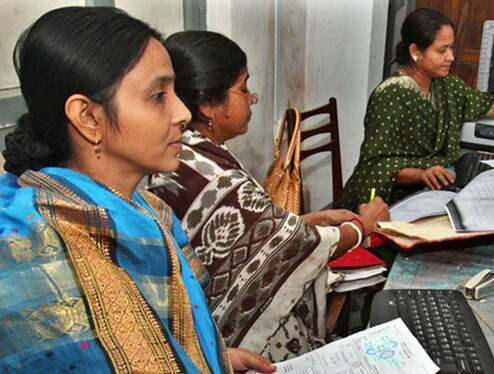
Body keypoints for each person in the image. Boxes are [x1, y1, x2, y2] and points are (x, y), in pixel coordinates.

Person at [0, 7, 273, 373]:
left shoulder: (147, 211)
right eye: (158, 95)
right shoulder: (47, 253)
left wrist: (213, 360)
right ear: (88, 117)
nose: (182, 113)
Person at [148, 31, 389, 362]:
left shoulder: (190, 154)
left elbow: (248, 236)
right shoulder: (210, 173)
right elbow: (288, 247)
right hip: (236, 345)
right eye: (243, 88)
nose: (251, 98)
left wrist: (308, 219)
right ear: (208, 105)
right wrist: (365, 225)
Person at [339, 8, 494, 210]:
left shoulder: (444, 85)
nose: (451, 57)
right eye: (442, 50)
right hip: (383, 201)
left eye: (451, 48)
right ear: (416, 52)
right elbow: (374, 165)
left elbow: (488, 104)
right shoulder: (392, 94)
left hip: (428, 188)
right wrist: (420, 174)